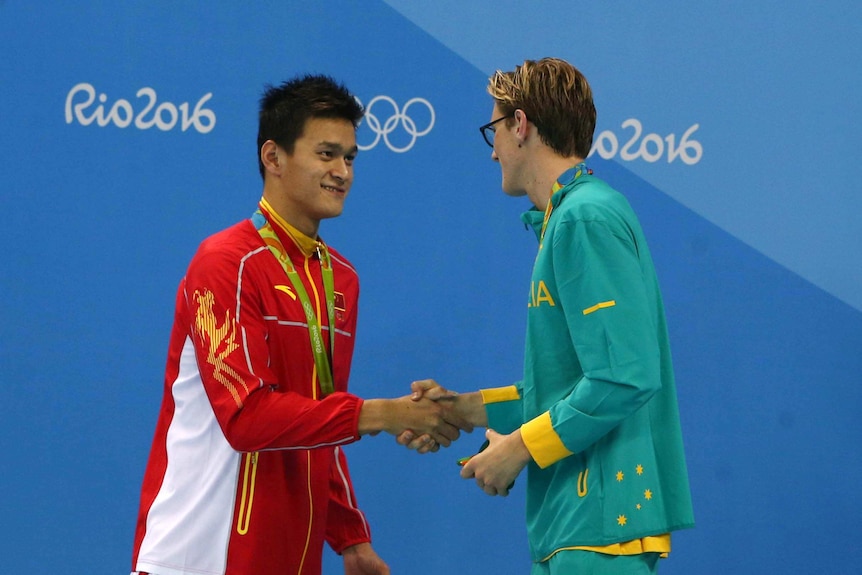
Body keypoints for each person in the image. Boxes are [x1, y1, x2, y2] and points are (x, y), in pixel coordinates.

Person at [129, 74, 469, 575]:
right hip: (195, 555)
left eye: (350, 158)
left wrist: (351, 539)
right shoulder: (226, 263)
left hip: (290, 557)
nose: (343, 172)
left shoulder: (341, 280)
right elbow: (247, 419)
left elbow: (318, 418)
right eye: (326, 154)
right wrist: (383, 414)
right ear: (273, 157)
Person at [403, 58, 695, 574]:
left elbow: (623, 377)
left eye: (493, 129)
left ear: (520, 125)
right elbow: (567, 391)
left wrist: (518, 449)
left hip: (599, 534)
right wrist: (462, 409)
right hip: (577, 531)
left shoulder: (584, 217)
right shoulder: (569, 216)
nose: (491, 150)